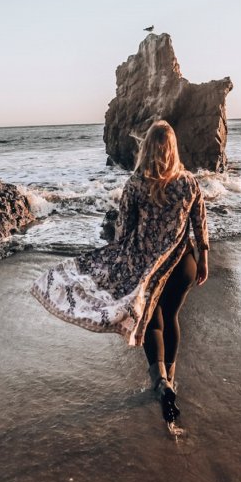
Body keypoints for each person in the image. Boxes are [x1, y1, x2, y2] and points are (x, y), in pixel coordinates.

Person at [31, 120, 209, 422]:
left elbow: (123, 234)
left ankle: (161, 382)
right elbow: (200, 223)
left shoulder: (137, 183)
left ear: (147, 148)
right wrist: (203, 258)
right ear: (173, 148)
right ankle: (171, 380)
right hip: (183, 265)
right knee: (172, 315)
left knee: (152, 321)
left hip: (146, 267)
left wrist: (116, 264)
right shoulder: (189, 182)